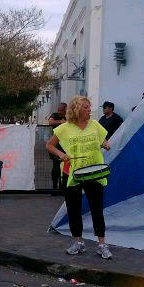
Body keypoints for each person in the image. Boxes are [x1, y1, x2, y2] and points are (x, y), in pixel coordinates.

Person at [46, 96, 113, 260]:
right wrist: (61, 154)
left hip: (93, 172)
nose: (90, 110)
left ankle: (102, 244)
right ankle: (78, 242)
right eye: (86, 107)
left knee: (97, 208)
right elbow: (49, 145)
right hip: (72, 173)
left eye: (89, 107)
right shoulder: (64, 128)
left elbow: (104, 141)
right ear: (76, 110)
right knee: (73, 209)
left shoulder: (95, 125)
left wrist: (105, 144)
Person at [47, 103, 68, 192]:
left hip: (66, 146)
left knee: (65, 168)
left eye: (61, 110)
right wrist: (61, 122)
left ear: (65, 110)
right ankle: (55, 187)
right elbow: (50, 121)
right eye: (58, 110)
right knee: (55, 168)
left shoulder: (69, 116)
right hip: (56, 146)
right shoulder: (55, 115)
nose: (59, 112)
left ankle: (62, 187)